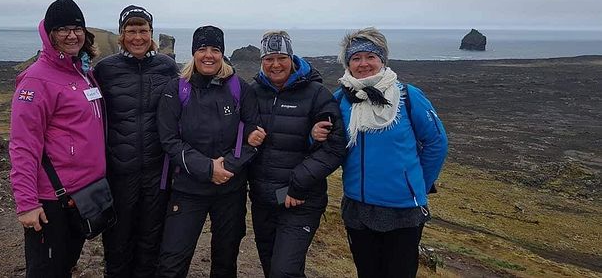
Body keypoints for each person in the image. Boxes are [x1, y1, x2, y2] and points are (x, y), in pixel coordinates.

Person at [333, 27, 448, 278]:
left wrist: (417, 184)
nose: (363, 64)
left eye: (370, 57)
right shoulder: (341, 99)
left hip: (403, 209)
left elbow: (437, 143)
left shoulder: (408, 96)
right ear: (348, 64)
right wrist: (314, 134)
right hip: (357, 206)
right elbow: (326, 140)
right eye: (356, 58)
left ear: (382, 59)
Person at [156, 25, 265, 278]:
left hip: (230, 189)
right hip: (187, 190)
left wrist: (226, 167)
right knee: (172, 262)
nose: (209, 55)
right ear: (193, 53)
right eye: (202, 49)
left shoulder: (239, 88)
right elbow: (169, 140)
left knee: (225, 261)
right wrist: (207, 169)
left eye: (215, 49)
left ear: (222, 53)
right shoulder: (176, 89)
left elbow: (253, 135)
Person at [9, 0, 105, 278]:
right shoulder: (36, 80)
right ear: (49, 34)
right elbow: (23, 145)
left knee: (65, 265)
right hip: (53, 198)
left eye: (77, 28)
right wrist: (27, 203)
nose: (72, 35)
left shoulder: (81, 72)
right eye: (63, 29)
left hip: (81, 194)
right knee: (46, 271)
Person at [249, 31, 347, 278]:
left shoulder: (316, 94)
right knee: (273, 267)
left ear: (291, 58)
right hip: (264, 200)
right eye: (268, 59)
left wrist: (298, 185)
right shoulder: (253, 92)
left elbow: (335, 146)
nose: (275, 65)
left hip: (300, 199)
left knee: (283, 271)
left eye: (281, 57)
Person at [93, 5, 179, 278]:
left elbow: (187, 101)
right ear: (122, 35)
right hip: (118, 172)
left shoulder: (166, 67)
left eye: (143, 30)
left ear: (151, 34)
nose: (138, 37)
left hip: (157, 171)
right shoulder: (105, 69)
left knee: (151, 239)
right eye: (131, 30)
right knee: (118, 240)